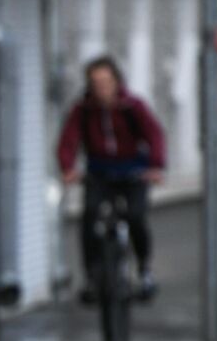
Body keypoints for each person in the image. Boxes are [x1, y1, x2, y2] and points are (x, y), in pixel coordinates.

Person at [56, 56, 167, 303]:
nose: (101, 89)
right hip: (100, 173)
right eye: (95, 83)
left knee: (136, 216)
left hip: (132, 172)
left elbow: (154, 134)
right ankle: (92, 277)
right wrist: (68, 168)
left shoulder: (132, 107)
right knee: (90, 216)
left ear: (117, 82)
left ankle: (144, 271)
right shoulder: (83, 110)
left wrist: (156, 166)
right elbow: (68, 140)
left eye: (106, 82)